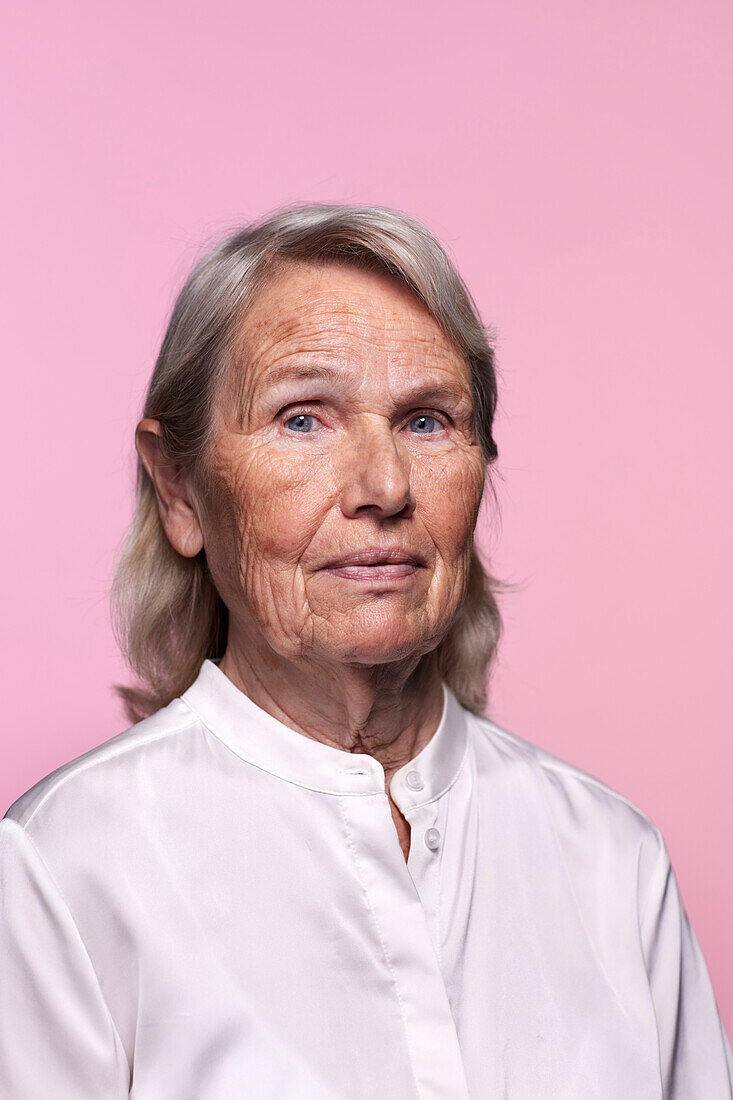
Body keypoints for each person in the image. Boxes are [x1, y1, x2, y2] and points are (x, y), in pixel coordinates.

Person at [1, 204, 731, 1099]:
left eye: (426, 421)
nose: (384, 487)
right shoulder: (64, 868)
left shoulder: (613, 861)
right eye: (303, 419)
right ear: (180, 487)